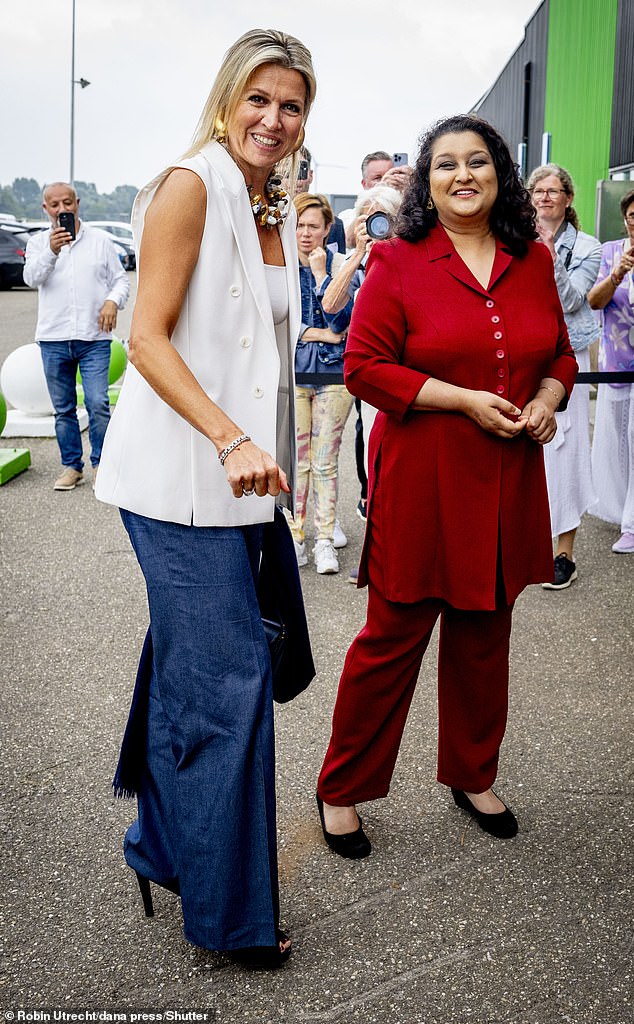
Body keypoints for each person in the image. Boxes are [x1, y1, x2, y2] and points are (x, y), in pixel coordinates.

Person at [95, 28, 316, 967]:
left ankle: (159, 840)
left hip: (244, 487)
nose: (274, 119)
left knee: (201, 667)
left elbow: (257, 349)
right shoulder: (189, 184)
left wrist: (267, 457)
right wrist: (229, 438)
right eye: (259, 98)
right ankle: (230, 919)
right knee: (233, 684)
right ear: (227, 99)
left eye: (293, 104)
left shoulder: (273, 201)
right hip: (181, 482)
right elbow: (147, 339)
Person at [316, 114, 577, 858]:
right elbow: (363, 368)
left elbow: (559, 352)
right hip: (425, 480)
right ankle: (342, 785)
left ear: (500, 173)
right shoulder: (399, 261)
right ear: (426, 182)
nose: (463, 175)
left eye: (478, 161)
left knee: (485, 635)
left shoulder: (530, 261)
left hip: (506, 479)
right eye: (445, 165)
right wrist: (462, 399)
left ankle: (472, 773)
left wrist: (547, 403)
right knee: (391, 638)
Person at [23, 182, 129, 491]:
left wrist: (112, 301)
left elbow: (121, 280)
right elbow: (31, 278)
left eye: (67, 203)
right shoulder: (38, 243)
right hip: (53, 338)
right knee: (64, 409)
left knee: (97, 403)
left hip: (94, 338)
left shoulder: (100, 242)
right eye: (54, 205)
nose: (62, 210)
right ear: (45, 209)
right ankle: (72, 466)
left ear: (77, 203)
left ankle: (101, 465)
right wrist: (52, 251)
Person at [322, 184, 402, 579]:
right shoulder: (352, 261)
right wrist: (358, 255)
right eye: (365, 216)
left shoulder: (408, 258)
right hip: (373, 383)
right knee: (376, 469)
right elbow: (330, 306)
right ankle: (378, 556)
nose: (372, 222)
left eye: (381, 215)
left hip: (410, 376)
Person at [527, 164, 601, 589]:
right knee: (529, 448)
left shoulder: (588, 247)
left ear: (568, 199)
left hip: (566, 356)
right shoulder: (514, 241)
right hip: (526, 354)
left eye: (554, 191)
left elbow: (573, 301)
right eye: (538, 190)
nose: (545, 197)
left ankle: (564, 552)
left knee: (566, 450)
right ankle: (529, 541)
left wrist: (549, 256)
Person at [290, 192, 354, 574]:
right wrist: (317, 334)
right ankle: (296, 537)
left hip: (334, 376)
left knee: (325, 462)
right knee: (298, 461)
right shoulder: (279, 267)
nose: (305, 233)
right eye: (299, 225)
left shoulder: (342, 265)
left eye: (314, 226)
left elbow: (341, 324)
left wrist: (320, 276)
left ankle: (325, 539)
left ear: (328, 229)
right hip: (294, 374)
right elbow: (278, 322)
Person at [587, 188, 634, 553]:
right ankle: (621, 510)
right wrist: (618, 272)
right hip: (616, 364)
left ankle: (632, 523)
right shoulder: (610, 253)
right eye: (632, 216)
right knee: (615, 444)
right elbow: (594, 301)